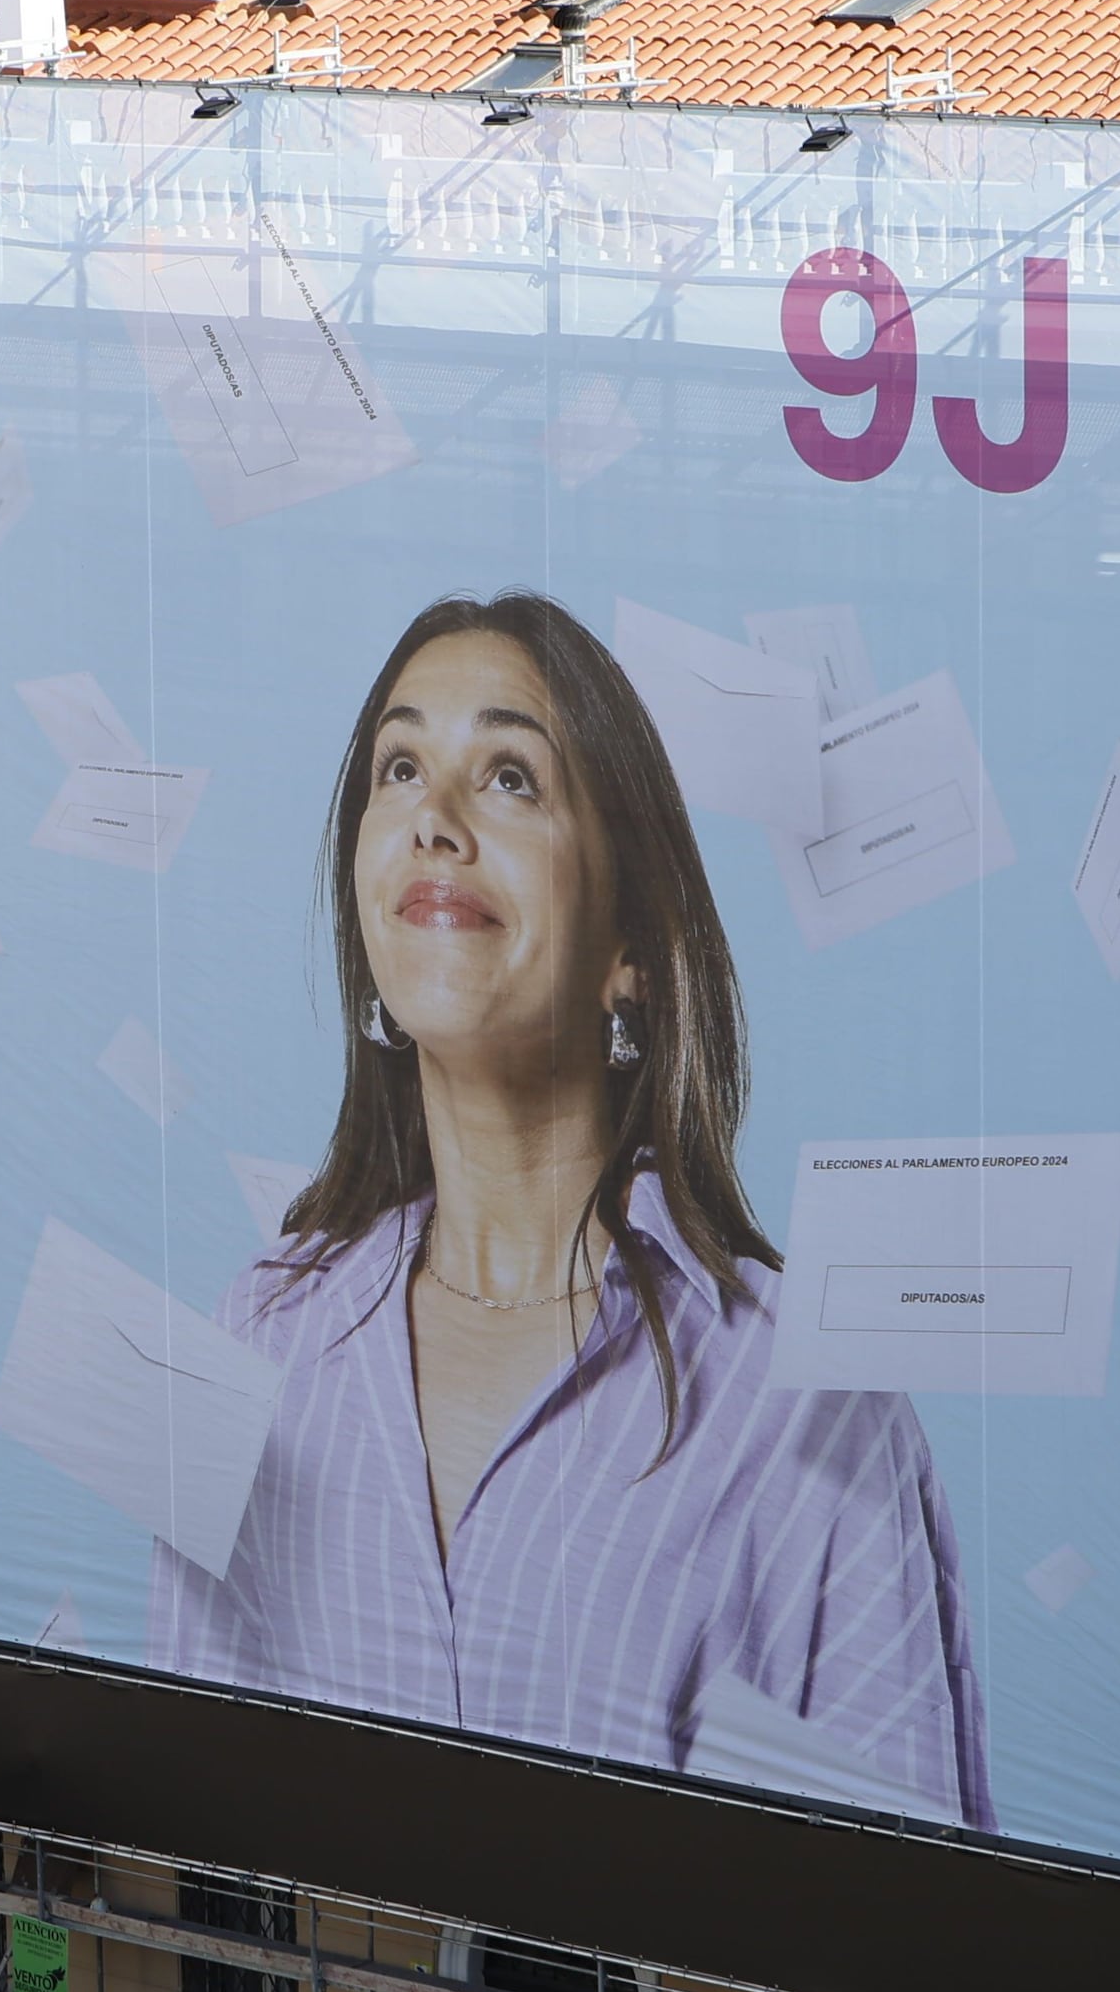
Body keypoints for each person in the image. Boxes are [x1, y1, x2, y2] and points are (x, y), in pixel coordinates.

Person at [149, 590, 985, 1824]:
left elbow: (908, 1974)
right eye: (397, 767)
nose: (430, 819)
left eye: (508, 778)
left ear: (630, 950)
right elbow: (181, 1846)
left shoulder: (810, 1406)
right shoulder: (257, 1342)